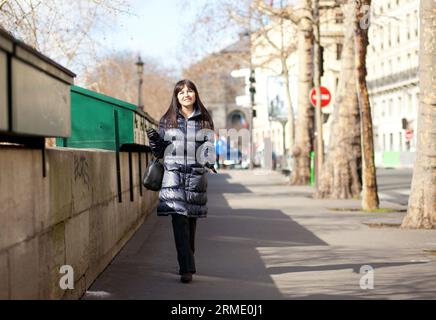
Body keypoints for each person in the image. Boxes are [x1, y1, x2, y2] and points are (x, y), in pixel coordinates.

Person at [146, 79, 217, 283]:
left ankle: (187, 258)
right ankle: (186, 268)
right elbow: (159, 151)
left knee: (190, 223)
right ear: (176, 96)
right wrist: (154, 139)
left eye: (190, 91)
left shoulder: (204, 120)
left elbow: (209, 146)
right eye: (181, 92)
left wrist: (210, 162)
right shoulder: (167, 120)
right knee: (179, 221)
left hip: (195, 177)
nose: (186, 94)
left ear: (195, 94)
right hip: (173, 176)